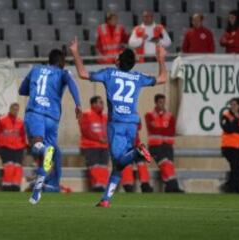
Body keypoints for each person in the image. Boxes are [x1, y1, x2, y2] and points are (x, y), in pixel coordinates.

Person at [70, 37, 167, 207]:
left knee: (119, 161)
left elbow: (83, 74)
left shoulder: (109, 74)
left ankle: (138, 152)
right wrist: (161, 58)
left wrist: (75, 52)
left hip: (116, 123)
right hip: (132, 123)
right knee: (119, 166)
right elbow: (163, 78)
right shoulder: (137, 77)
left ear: (118, 61)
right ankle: (106, 199)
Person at [19, 49, 81, 204]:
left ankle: (43, 151)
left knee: (37, 147)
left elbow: (22, 90)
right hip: (52, 118)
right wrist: (78, 104)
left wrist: (35, 90)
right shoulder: (63, 72)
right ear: (62, 62)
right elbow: (72, 83)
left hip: (35, 113)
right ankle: (40, 190)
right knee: (53, 154)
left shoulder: (35, 69)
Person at [145, 94, 183, 193]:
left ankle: (169, 187)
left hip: (167, 146)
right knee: (166, 164)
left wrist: (160, 129)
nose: (163, 104)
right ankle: (174, 186)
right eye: (160, 102)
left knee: (168, 165)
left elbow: (171, 131)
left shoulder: (170, 116)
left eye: (164, 102)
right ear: (156, 103)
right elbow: (152, 129)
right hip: (155, 146)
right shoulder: (149, 115)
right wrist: (164, 129)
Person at [0, 102, 27, 191]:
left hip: (18, 148)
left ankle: (16, 186)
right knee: (9, 167)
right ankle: (6, 186)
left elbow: (23, 135)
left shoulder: (20, 122)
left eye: (17, 110)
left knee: (18, 167)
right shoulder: (2, 120)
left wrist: (24, 145)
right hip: (6, 147)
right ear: (10, 109)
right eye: (14, 109)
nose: (15, 111)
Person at [79, 96, 109, 192]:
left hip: (104, 146)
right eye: (100, 102)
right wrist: (99, 139)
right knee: (94, 166)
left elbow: (108, 130)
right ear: (93, 104)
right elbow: (86, 131)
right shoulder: (86, 115)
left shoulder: (105, 117)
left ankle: (103, 186)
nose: (102, 104)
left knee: (103, 167)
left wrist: (107, 139)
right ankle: (97, 186)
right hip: (90, 146)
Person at [121, 122, 153, 193]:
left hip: (136, 144)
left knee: (141, 162)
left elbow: (139, 126)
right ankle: (128, 186)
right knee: (127, 164)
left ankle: (145, 184)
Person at [220, 97, 239, 193]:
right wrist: (236, 121)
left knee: (236, 169)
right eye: (231, 104)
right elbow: (228, 129)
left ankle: (230, 186)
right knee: (235, 167)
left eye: (235, 104)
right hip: (229, 146)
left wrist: (235, 125)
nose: (233, 106)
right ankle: (234, 188)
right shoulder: (226, 115)